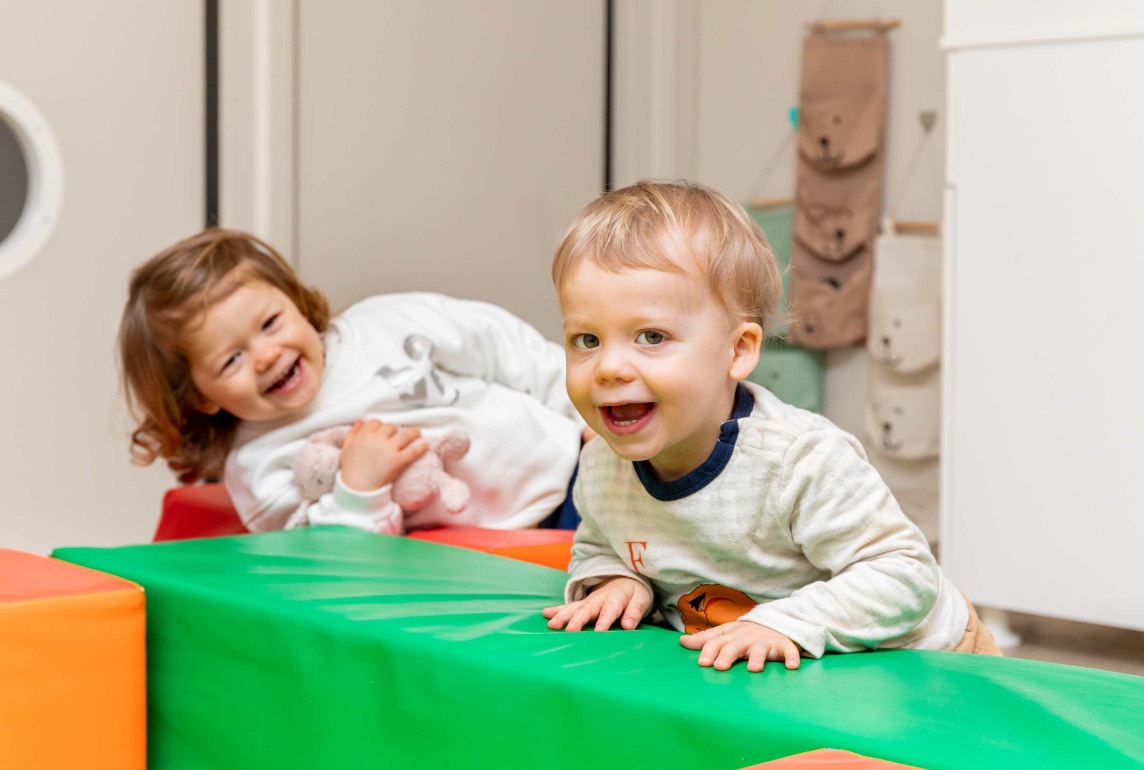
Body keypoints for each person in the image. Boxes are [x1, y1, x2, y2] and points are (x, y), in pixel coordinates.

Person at [542, 181, 998, 672]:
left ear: (738, 351)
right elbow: (599, 541)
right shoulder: (600, 464)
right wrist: (614, 579)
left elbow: (906, 576)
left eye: (651, 337)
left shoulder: (798, 460)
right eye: (586, 339)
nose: (609, 367)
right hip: (791, 680)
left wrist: (784, 622)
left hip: (928, 662)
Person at [119, 228, 584, 535]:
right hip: (496, 557)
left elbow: (503, 348)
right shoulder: (259, 464)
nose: (266, 356)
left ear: (297, 303)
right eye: (231, 360)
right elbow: (327, 564)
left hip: (573, 472)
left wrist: (585, 410)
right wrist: (358, 488)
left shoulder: (384, 323)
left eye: (270, 323)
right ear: (200, 397)